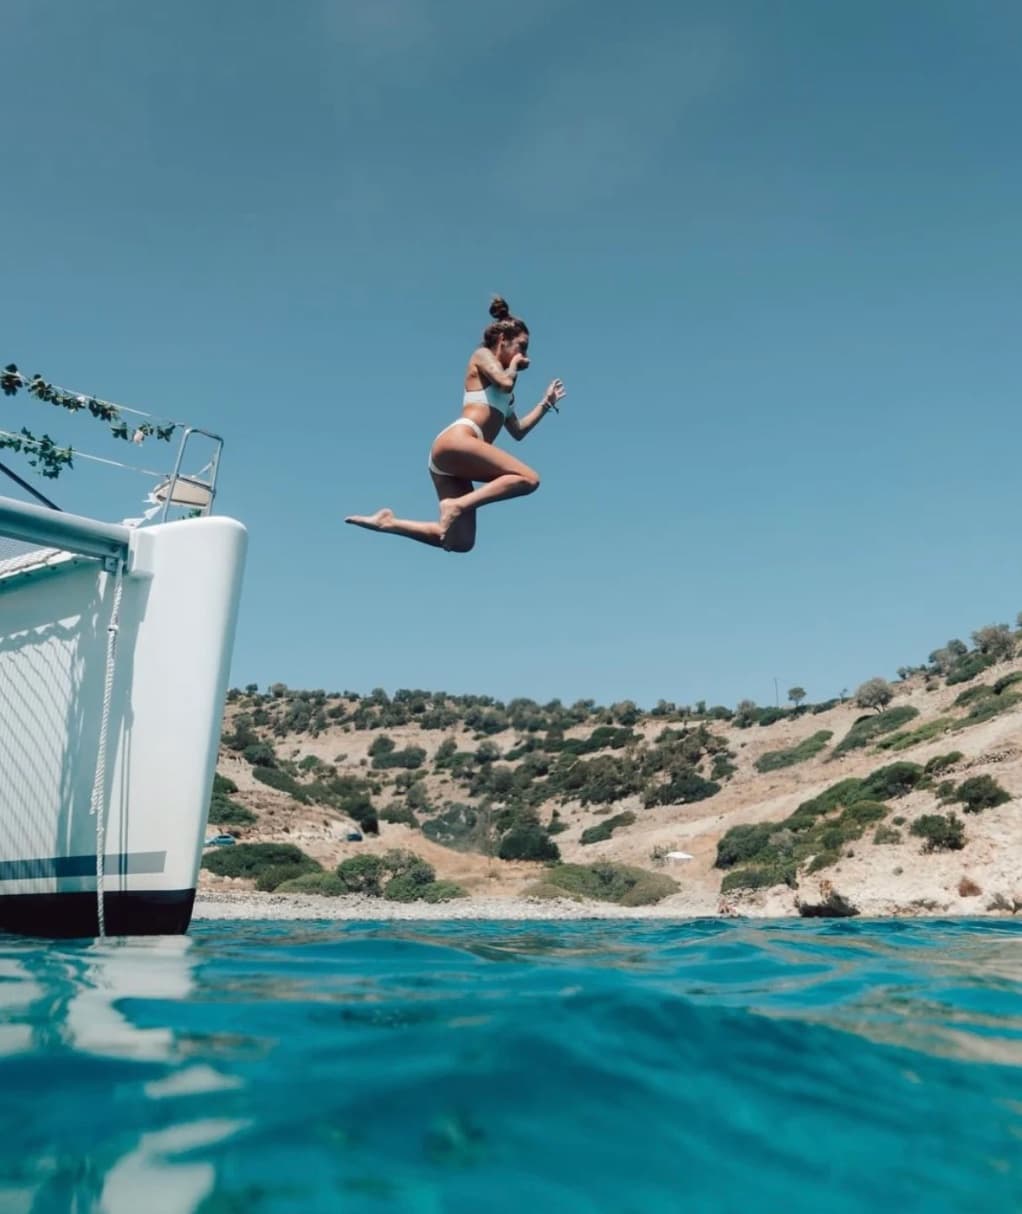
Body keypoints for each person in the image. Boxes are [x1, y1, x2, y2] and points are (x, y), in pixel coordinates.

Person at [345, 296, 565, 553]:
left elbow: (518, 432)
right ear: (503, 342)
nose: (525, 355)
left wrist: (545, 404)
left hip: (450, 464)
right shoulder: (481, 355)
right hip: (458, 440)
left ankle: (388, 522)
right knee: (528, 479)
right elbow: (505, 381)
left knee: (458, 542)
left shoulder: (508, 396)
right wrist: (514, 365)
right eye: (521, 347)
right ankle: (457, 505)